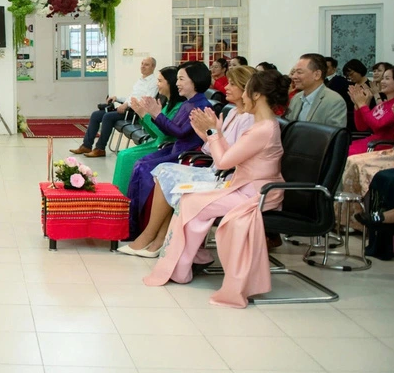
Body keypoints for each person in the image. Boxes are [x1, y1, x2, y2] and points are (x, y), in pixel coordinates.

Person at [144, 69, 291, 307]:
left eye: (245, 91)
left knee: (191, 202)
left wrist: (213, 133)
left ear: (256, 95)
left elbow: (223, 162)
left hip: (256, 194)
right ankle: (187, 261)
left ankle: (182, 266)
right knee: (189, 199)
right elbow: (227, 155)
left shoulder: (263, 129)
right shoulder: (262, 125)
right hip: (243, 186)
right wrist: (211, 134)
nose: (241, 96)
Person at [119, 65, 256, 257]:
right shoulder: (233, 113)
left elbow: (225, 154)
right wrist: (208, 135)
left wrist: (208, 134)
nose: (225, 87)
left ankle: (150, 236)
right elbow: (213, 145)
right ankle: (153, 237)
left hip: (219, 171)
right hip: (208, 160)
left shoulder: (246, 119)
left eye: (232, 84)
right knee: (160, 171)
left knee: (158, 171)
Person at [341, 69, 394, 258]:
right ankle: (359, 222)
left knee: (373, 171)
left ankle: (387, 223)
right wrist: (359, 106)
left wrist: (364, 105)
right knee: (352, 160)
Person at [124, 62, 213, 240]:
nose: (177, 83)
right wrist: (153, 114)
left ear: (195, 81)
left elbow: (178, 132)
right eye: (177, 79)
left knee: (143, 167)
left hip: (185, 154)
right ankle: (134, 225)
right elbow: (172, 131)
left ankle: (143, 227)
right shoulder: (189, 103)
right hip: (176, 148)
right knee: (139, 163)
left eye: (181, 79)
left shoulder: (200, 105)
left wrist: (156, 114)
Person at [111, 66, 186, 192]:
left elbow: (163, 134)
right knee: (123, 154)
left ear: (170, 83)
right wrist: (143, 114)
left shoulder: (178, 107)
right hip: (157, 142)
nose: (157, 84)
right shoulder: (167, 104)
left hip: (165, 146)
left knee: (127, 156)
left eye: (160, 81)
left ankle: (125, 198)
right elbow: (153, 133)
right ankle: (117, 195)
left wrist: (145, 115)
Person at [72, 56, 157, 158]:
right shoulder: (140, 80)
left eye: (146, 65)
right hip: (128, 107)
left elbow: (146, 101)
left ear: (153, 67)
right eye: (142, 64)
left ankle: (100, 148)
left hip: (136, 113)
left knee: (108, 117)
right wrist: (117, 98)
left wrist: (126, 105)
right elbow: (131, 97)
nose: (143, 67)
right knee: (96, 115)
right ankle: (86, 145)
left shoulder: (153, 83)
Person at [348, 66, 394, 155]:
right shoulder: (383, 104)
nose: (382, 82)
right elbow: (361, 127)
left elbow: (377, 125)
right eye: (383, 78)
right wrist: (357, 105)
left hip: (383, 147)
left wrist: (362, 105)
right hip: (371, 142)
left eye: (387, 78)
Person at [285, 54, 348, 127]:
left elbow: (334, 136)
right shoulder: (296, 98)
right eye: (294, 72)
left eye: (299, 72)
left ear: (317, 75)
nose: (293, 77)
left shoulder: (334, 101)